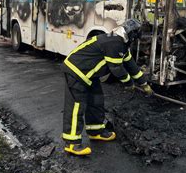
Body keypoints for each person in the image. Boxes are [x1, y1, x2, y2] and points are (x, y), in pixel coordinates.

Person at [62, 19, 153, 156]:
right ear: (132, 35)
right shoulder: (115, 43)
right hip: (76, 71)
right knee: (77, 106)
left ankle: (96, 131)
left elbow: (131, 66)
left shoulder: (122, 44)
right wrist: (129, 84)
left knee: (96, 100)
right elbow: (116, 68)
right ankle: (72, 143)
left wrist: (144, 84)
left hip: (89, 75)